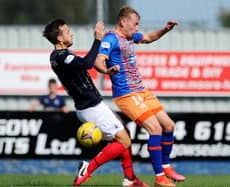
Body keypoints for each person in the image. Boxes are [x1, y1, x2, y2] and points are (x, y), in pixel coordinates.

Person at [42, 18, 149, 187]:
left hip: (89, 105)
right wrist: (98, 39)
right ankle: (88, 169)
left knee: (124, 134)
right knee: (124, 141)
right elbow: (86, 63)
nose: (71, 33)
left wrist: (107, 71)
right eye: (67, 30)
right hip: (91, 107)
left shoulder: (58, 56)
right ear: (60, 38)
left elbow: (80, 69)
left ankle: (130, 179)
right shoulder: (61, 56)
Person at [94, 6, 185, 187]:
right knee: (155, 129)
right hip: (127, 95)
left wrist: (165, 29)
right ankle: (159, 178)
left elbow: (149, 38)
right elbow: (98, 60)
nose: (137, 28)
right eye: (135, 24)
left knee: (169, 125)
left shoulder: (130, 37)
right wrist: (107, 70)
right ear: (123, 21)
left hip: (142, 91)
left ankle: (165, 166)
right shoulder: (111, 38)